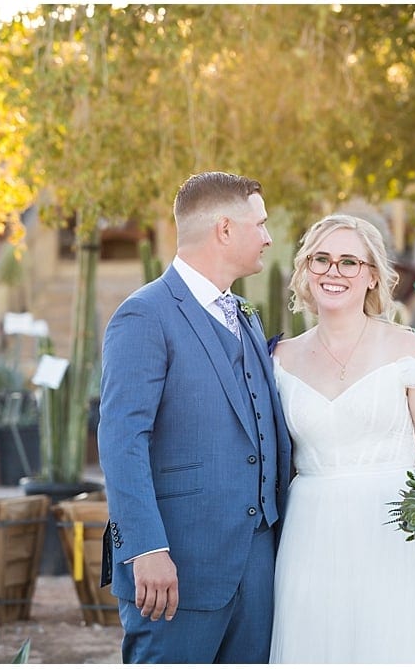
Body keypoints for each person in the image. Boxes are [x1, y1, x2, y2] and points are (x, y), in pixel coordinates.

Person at [97, 171, 293, 664]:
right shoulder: (143, 315)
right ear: (225, 229)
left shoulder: (244, 314)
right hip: (175, 564)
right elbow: (122, 440)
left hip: (257, 560)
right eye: (260, 224)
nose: (268, 237)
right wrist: (144, 549)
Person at [268, 214, 415, 663]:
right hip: (311, 534)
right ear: (305, 270)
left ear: (372, 276)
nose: (333, 272)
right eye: (321, 259)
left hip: (397, 536)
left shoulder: (411, 352)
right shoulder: (279, 360)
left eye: (348, 262)